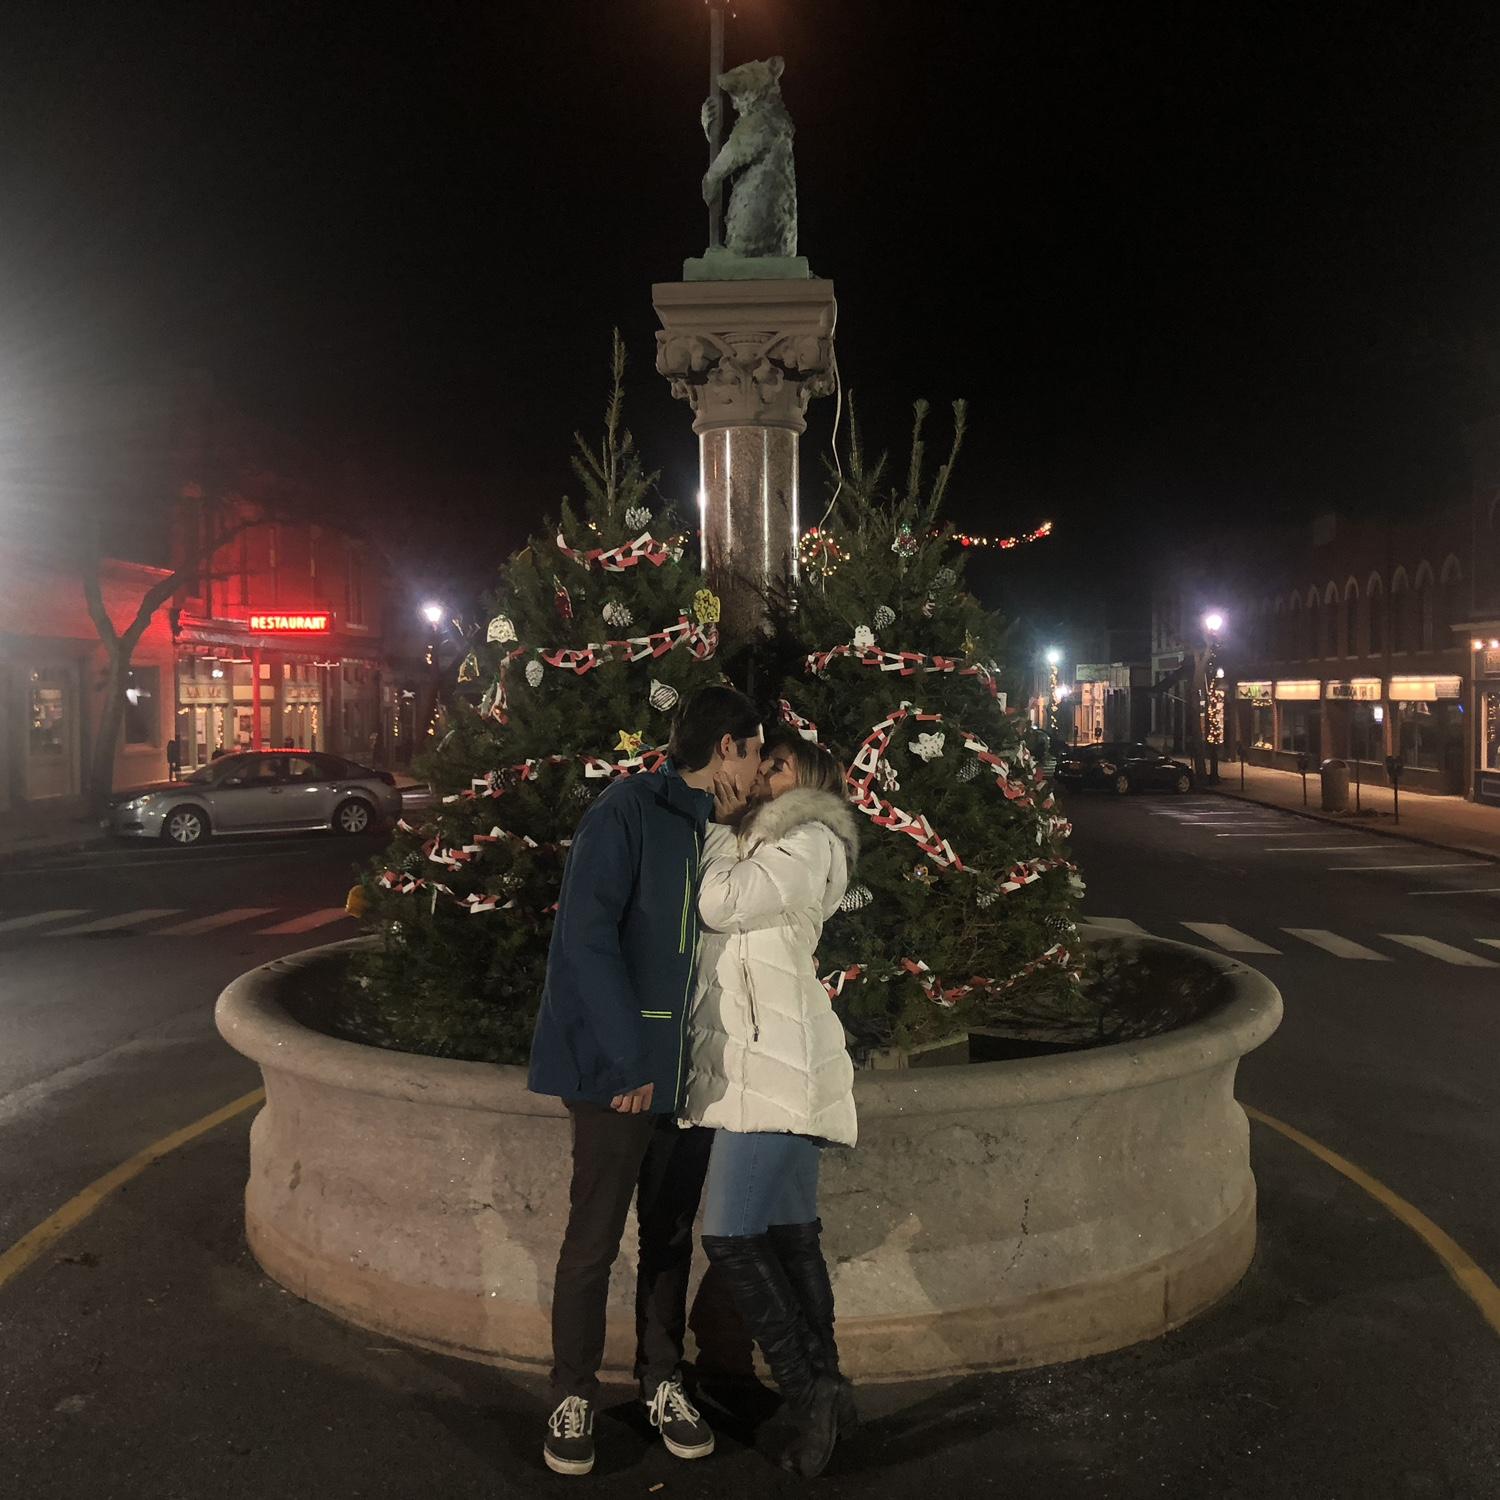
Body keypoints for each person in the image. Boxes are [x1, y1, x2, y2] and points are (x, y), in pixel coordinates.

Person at [527, 685, 764, 1478]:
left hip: (685, 1070)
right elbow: (587, 940)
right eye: (756, 752)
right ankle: (571, 1393)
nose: (759, 770)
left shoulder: (713, 826)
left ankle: (663, 1379)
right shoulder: (627, 811)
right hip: (619, 1073)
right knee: (593, 1239)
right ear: (727, 746)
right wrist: (627, 1059)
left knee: (667, 1234)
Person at [683, 733, 860, 1479]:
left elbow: (718, 903)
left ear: (808, 781)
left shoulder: (809, 837)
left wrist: (723, 829)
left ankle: (807, 1392)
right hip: (768, 1061)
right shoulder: (772, 839)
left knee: (729, 1234)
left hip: (774, 1067)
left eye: (778, 766)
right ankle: (828, 1383)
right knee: (792, 1236)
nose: (761, 773)